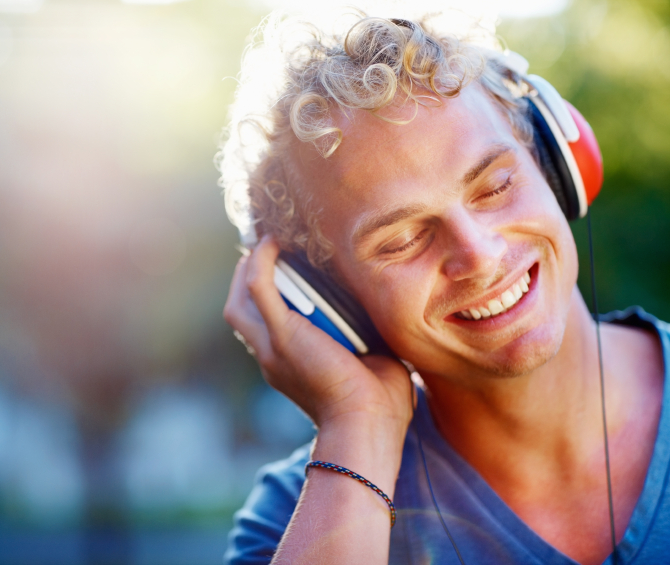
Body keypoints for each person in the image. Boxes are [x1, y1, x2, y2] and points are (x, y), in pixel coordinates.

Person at [219, 7, 669, 565]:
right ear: (332, 304)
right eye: (403, 239)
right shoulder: (298, 518)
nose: (479, 254)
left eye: (496, 185)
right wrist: (360, 424)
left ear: (556, 164)